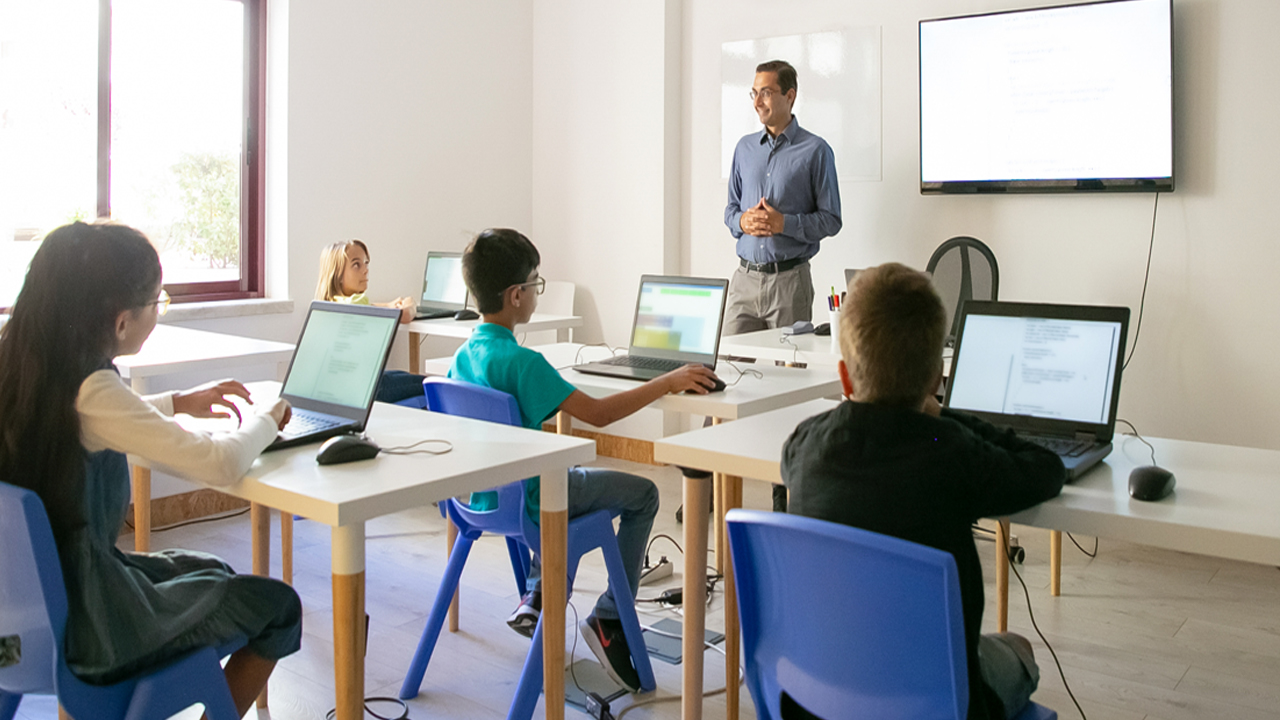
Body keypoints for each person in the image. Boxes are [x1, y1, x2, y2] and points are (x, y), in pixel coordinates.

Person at [0, 221, 301, 715]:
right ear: (121, 322)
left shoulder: (21, 366)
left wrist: (176, 401)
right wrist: (271, 418)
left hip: (17, 629)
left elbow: (90, 420)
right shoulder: (90, 388)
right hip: (88, 629)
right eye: (157, 304)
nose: (157, 314)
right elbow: (221, 462)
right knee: (277, 607)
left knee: (212, 570)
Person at [780, 263, 1065, 720]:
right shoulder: (950, 453)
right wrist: (945, 417)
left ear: (845, 376)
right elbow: (1045, 468)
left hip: (820, 695)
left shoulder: (804, 445)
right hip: (937, 701)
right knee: (1016, 646)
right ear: (936, 378)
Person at [451, 228, 719, 692]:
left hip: (480, 502)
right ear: (516, 296)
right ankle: (610, 618)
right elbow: (597, 414)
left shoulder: (461, 357)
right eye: (536, 283)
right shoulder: (523, 362)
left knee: (560, 471)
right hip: (534, 504)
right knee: (644, 493)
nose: (538, 290)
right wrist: (668, 381)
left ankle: (538, 591)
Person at [724, 59, 842, 512]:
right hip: (744, 281)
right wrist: (744, 221)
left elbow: (831, 219)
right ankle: (719, 479)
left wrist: (784, 222)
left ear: (790, 96)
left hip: (789, 281)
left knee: (786, 391)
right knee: (725, 377)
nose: (759, 101)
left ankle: (783, 492)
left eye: (767, 92)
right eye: (753, 93)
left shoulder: (815, 151)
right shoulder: (743, 149)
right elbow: (730, 212)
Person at [316, 238, 424, 403]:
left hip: (342, 388)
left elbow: (372, 306)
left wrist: (388, 305)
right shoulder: (357, 304)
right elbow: (406, 315)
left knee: (402, 375)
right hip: (368, 388)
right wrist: (411, 303)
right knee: (428, 383)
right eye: (356, 265)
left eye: (366, 263)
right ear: (337, 275)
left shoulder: (331, 303)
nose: (365, 270)